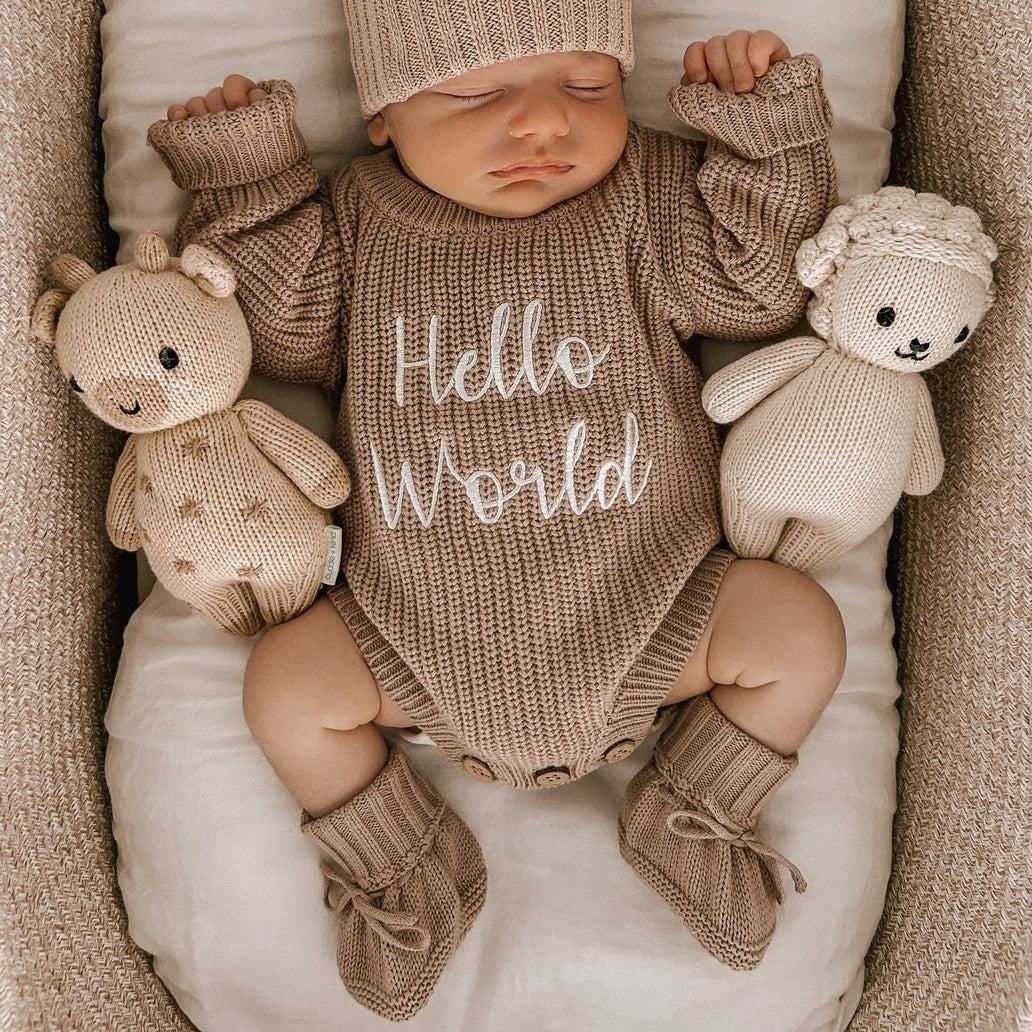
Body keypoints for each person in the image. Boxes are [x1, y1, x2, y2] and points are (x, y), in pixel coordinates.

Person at [149, 0, 845, 1019]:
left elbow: (760, 293)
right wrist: (249, 178)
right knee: (287, 686)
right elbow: (279, 332)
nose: (542, 125)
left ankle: (695, 804)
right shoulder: (358, 216)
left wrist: (761, 134)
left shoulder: (642, 196)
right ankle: (396, 858)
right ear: (383, 115)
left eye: (588, 85)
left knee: (796, 624)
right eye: (476, 93)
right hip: (406, 637)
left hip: (656, 610)